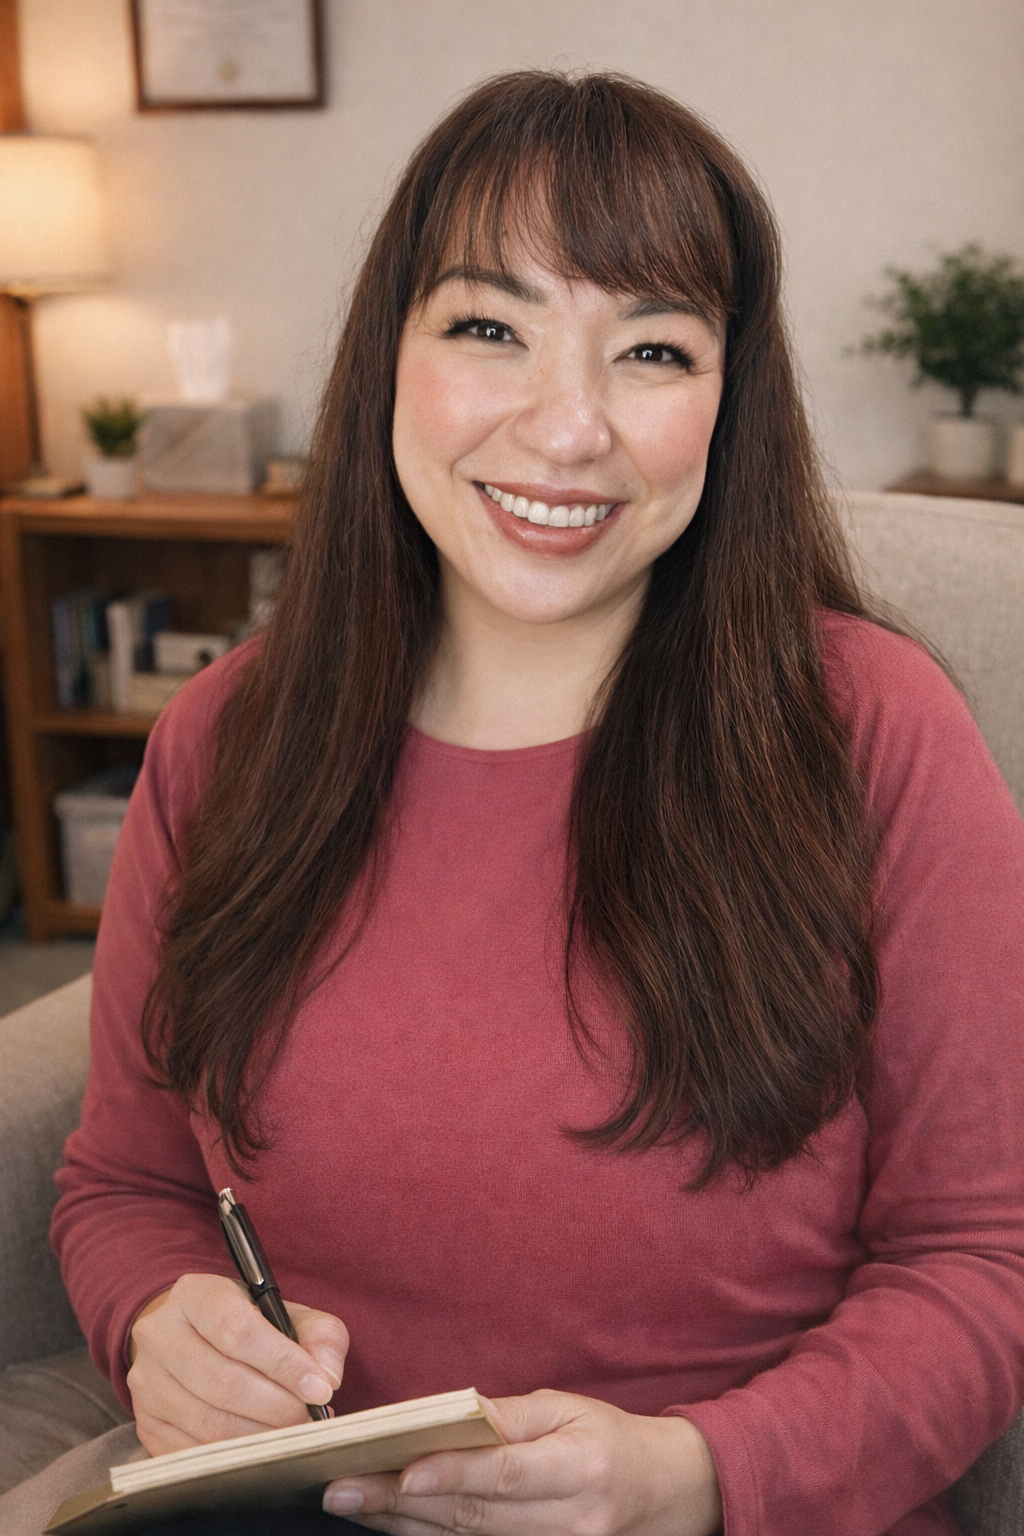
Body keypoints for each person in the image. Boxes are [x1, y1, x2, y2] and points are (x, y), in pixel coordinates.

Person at [37, 71, 1024, 1536]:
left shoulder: (874, 730)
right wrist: (157, 1319)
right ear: (389, 356)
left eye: (652, 350)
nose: (566, 430)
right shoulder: (228, 736)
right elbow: (124, 1176)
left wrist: (695, 1477)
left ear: (726, 403)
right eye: (490, 329)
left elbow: (983, 1256)